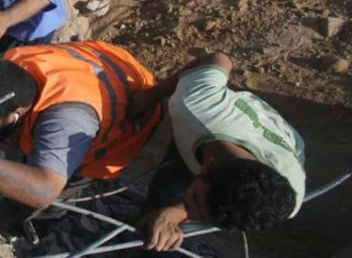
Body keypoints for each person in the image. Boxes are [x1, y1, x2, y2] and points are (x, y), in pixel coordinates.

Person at [0, 41, 162, 229]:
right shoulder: (10, 66)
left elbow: (45, 189)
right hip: (105, 66)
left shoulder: (65, 122)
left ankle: (28, 229)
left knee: (53, 191)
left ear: (18, 113)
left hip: (137, 120)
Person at [128, 52, 305, 253]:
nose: (190, 213)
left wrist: (178, 213)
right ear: (207, 165)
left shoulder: (285, 197)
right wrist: (151, 96)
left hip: (277, 138)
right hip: (211, 127)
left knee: (177, 219)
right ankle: (147, 225)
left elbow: (206, 206)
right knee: (170, 189)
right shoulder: (196, 103)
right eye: (193, 201)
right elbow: (219, 58)